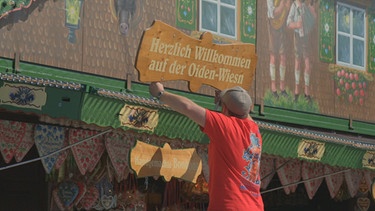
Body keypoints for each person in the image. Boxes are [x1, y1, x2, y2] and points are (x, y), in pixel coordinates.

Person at [149, 82, 264, 210]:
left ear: (224, 108)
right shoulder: (255, 131)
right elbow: (243, 111)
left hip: (229, 206)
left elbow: (188, 107)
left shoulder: (225, 126)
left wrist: (161, 94)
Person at [287, 0, 316, 103]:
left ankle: (307, 93)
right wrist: (296, 25)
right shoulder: (294, 6)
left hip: (306, 37)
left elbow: (312, 21)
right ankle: (296, 91)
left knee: (307, 63)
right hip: (297, 36)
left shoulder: (304, 7)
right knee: (297, 62)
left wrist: (312, 14)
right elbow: (288, 23)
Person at [267, 0, 291, 99]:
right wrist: (282, 5)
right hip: (272, 25)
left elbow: (288, 8)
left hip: (282, 26)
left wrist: (287, 5)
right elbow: (273, 13)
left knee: (283, 56)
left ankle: (282, 88)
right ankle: (273, 88)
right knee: (273, 56)